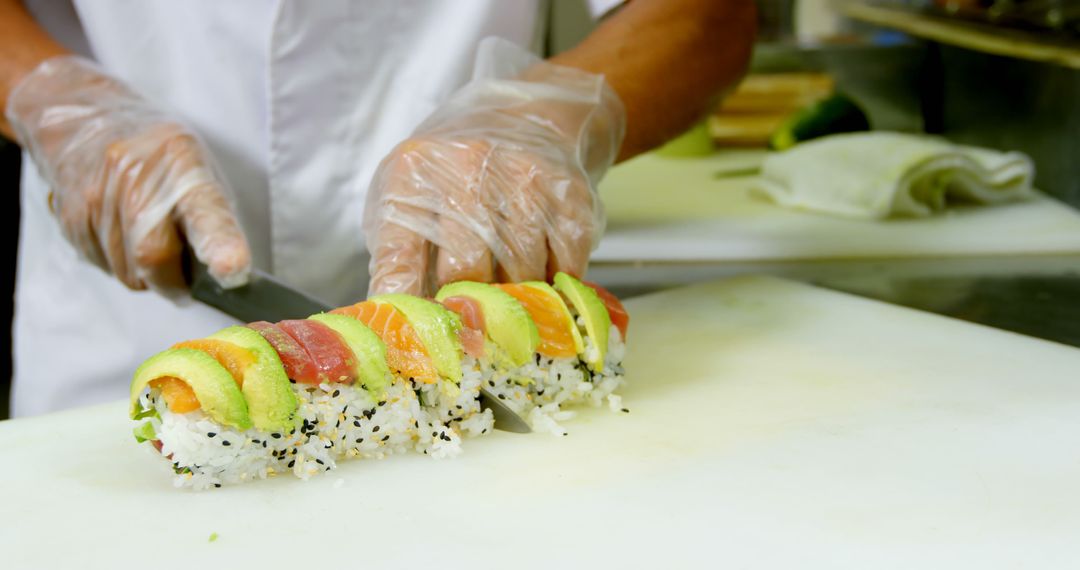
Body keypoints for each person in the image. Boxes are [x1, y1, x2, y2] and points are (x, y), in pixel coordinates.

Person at [0, 0, 755, 416]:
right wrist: (55, 100)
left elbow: (704, 16)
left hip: (467, 311)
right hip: (124, 323)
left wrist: (545, 115)